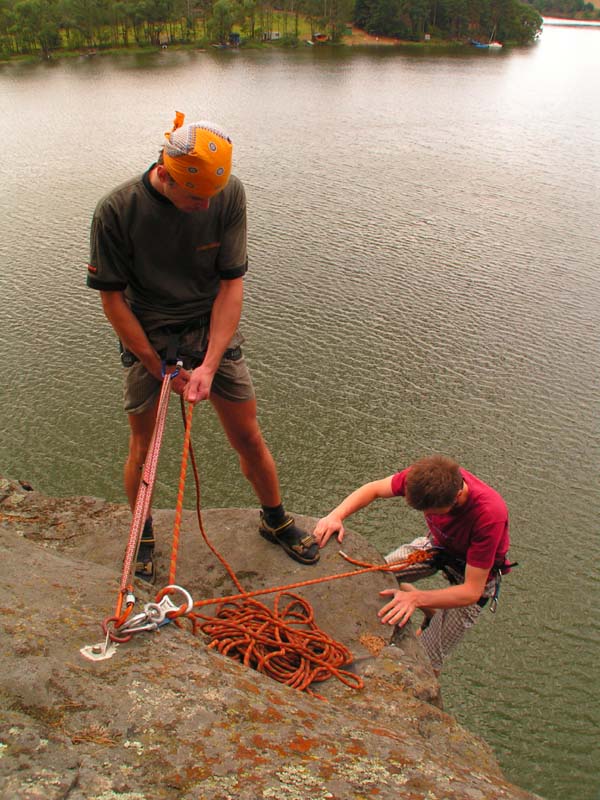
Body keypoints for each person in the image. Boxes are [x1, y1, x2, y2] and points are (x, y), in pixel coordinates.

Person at [87, 111, 319, 581]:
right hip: (146, 329)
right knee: (143, 445)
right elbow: (113, 302)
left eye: (210, 196)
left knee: (248, 434)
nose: (204, 205)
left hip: (210, 325)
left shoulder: (228, 193)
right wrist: (157, 367)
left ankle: (274, 518)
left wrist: (210, 366)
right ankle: (144, 532)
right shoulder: (117, 211)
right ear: (164, 172)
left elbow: (232, 285)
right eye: (195, 197)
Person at [314, 455, 512, 675]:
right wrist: (335, 516)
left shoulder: (489, 514)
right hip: (437, 547)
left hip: (474, 578)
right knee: (374, 577)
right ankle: (429, 609)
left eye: (433, 512)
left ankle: (423, 607)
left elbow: (470, 592)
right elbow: (374, 489)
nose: (427, 515)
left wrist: (416, 599)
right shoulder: (428, 475)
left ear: (456, 497)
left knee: (425, 662)